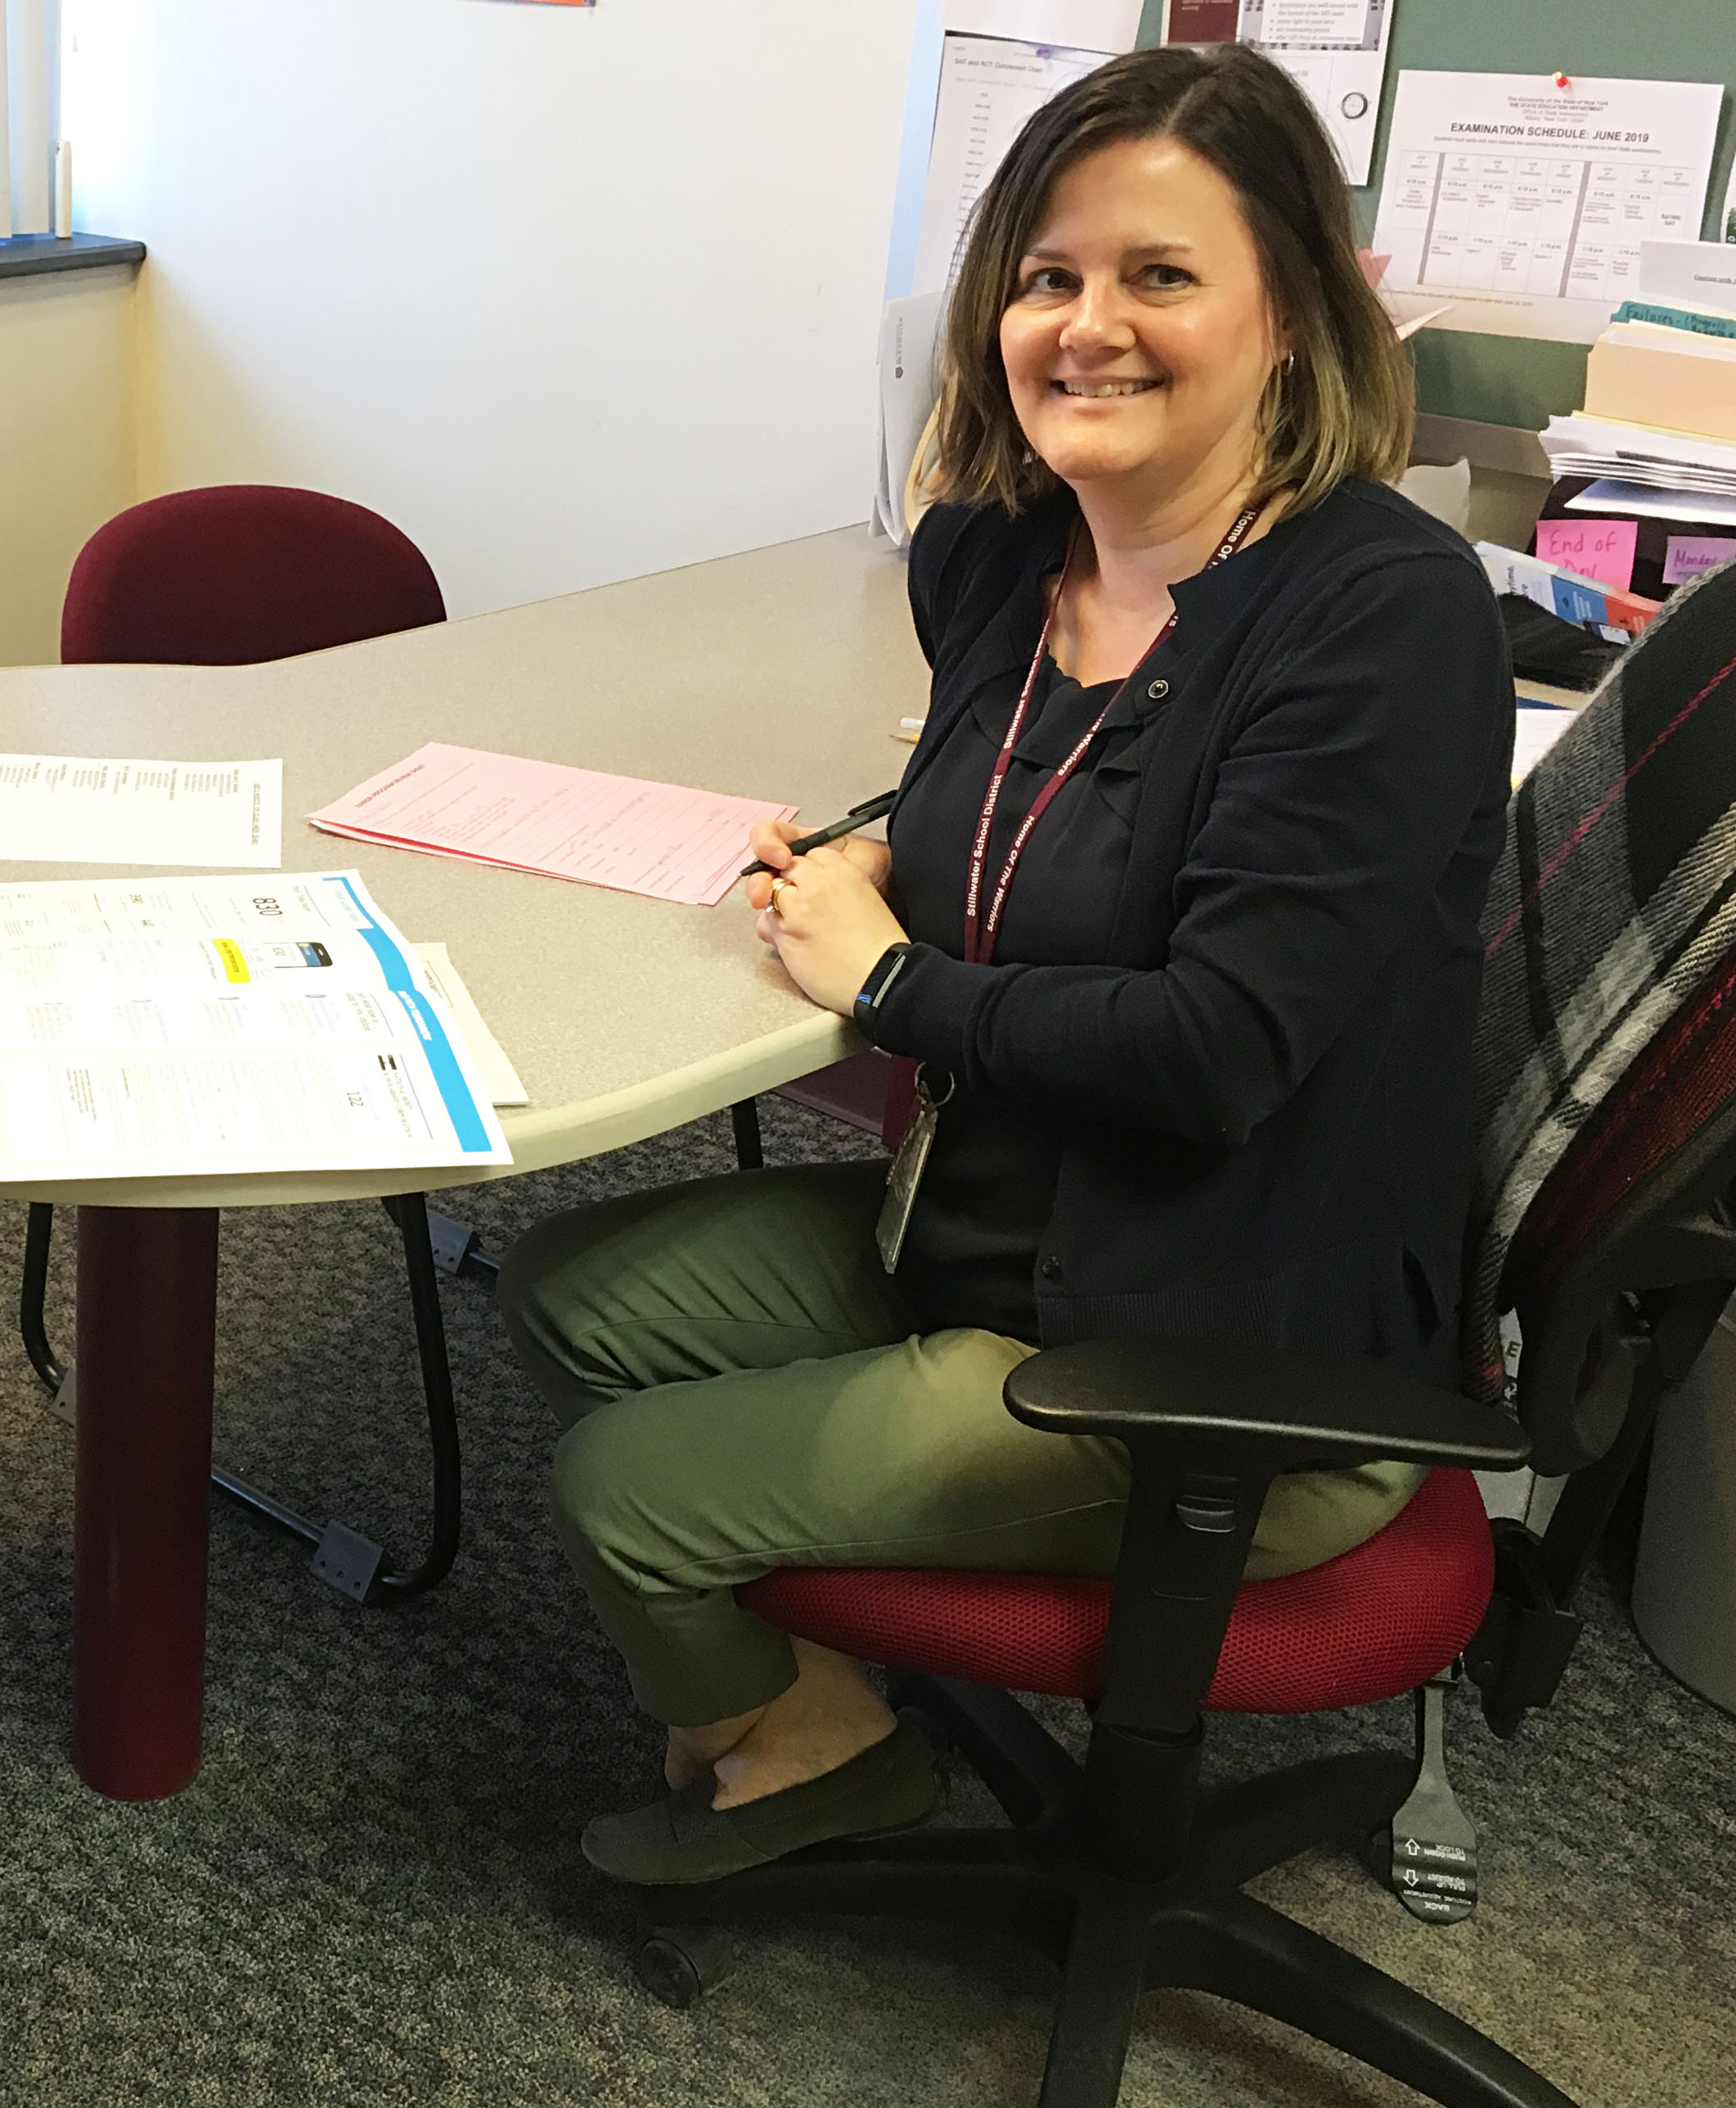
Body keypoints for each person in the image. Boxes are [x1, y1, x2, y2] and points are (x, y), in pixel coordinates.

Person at [499, 43, 1510, 1885]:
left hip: (1204, 1348)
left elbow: (1215, 1045)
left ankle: (811, 1750)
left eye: (1158, 275)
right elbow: (1021, 788)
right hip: (981, 1225)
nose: (1084, 324)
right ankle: (833, 1666)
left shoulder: (1378, 617)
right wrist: (891, 840)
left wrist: (887, 983)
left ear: (1286, 314)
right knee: (567, 1297)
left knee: (618, 1494)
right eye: (1045, 277)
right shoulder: (1002, 563)